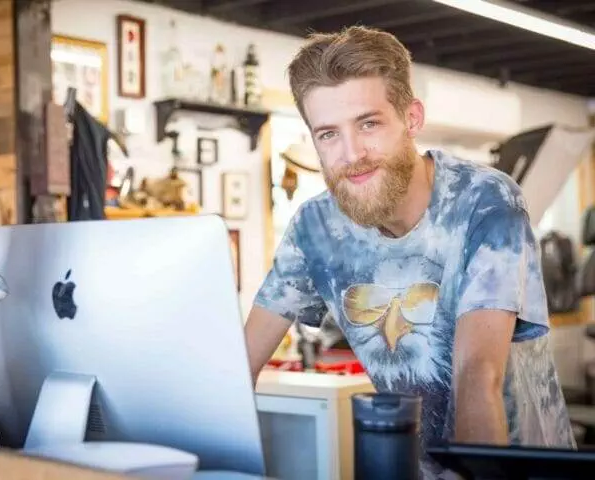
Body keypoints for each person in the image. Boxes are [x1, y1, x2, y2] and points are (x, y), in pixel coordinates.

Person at [244, 25, 576, 478]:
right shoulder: (314, 226)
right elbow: (242, 363)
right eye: (327, 134)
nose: (351, 153)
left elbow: (477, 375)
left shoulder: (485, 202)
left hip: (512, 471)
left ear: (412, 118)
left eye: (369, 123)